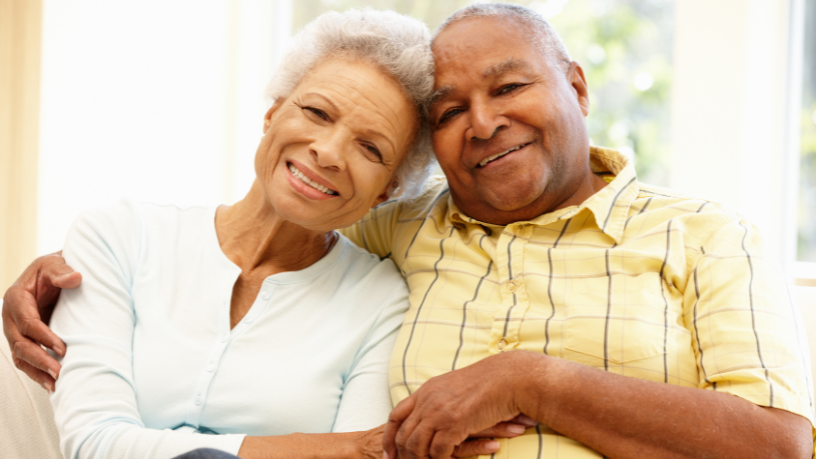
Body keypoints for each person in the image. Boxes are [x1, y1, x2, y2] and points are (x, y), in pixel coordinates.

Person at [4, 3, 815, 458]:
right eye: (450, 111)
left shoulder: (708, 236)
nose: (484, 123)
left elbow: (780, 449)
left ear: (576, 85)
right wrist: (69, 270)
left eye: (509, 87)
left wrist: (535, 380)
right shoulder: (398, 230)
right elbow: (296, 216)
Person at [0, 8, 531, 459]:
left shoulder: (382, 301)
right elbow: (95, 444)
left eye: (371, 149)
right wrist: (339, 447)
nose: (327, 151)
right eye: (316, 112)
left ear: (387, 190)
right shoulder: (118, 235)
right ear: (273, 114)